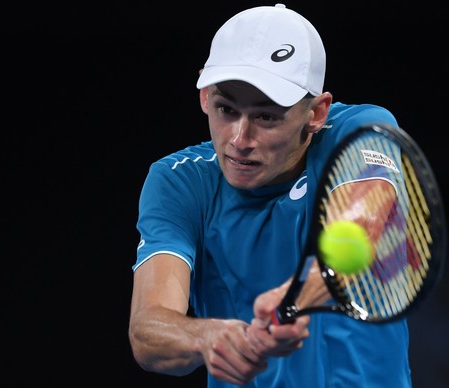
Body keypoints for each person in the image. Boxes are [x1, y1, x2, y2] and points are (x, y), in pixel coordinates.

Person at [129, 3, 412, 387]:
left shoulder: (360, 131)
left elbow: (359, 232)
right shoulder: (178, 181)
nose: (239, 140)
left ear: (317, 113)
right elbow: (148, 330)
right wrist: (207, 336)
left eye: (266, 117)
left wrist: (297, 294)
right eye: (226, 109)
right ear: (204, 96)